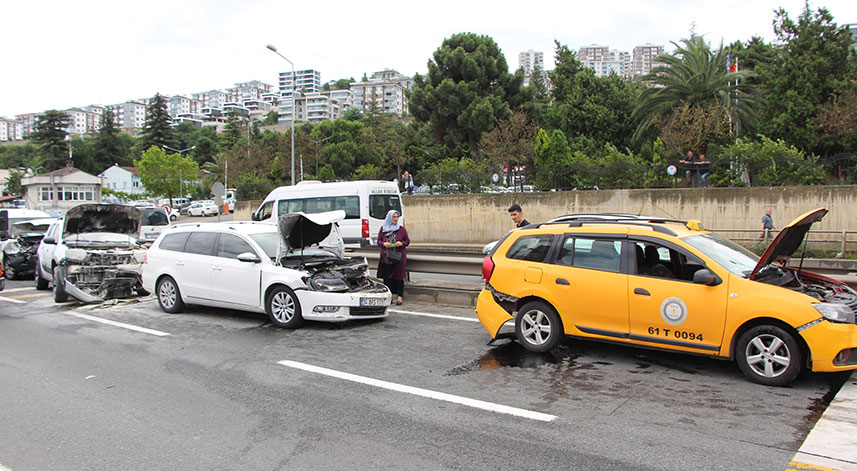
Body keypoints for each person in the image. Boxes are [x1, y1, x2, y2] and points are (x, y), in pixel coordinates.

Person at [377, 209, 410, 305]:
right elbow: (379, 241)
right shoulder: (383, 229)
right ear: (389, 218)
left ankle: (400, 297)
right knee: (387, 278)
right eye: (394, 217)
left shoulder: (401, 229)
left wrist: (401, 243)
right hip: (386, 257)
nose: (396, 219)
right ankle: (389, 297)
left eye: (397, 217)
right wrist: (384, 244)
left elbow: (407, 241)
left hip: (398, 257)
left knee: (399, 276)